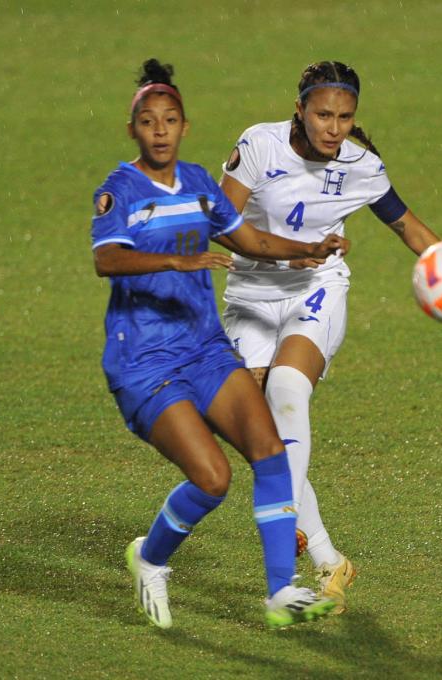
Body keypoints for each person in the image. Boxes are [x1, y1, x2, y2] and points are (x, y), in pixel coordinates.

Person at [218, 60, 442, 611]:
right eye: (324, 114)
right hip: (249, 299)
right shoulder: (259, 146)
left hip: (318, 291)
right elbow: (221, 220)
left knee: (287, 389)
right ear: (301, 108)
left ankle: (281, 544)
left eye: (345, 116)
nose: (334, 127)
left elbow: (406, 223)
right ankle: (330, 561)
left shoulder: (361, 165)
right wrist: (293, 249)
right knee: (260, 433)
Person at [90, 59, 351, 630]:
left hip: (205, 350)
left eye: (171, 119)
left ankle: (281, 591)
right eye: (149, 120)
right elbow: (106, 258)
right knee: (213, 479)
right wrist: (176, 258)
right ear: (133, 128)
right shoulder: (119, 191)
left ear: (185, 127)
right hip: (144, 363)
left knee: (271, 453)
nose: (160, 129)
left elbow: (250, 238)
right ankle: (149, 557)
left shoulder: (203, 186)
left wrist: (304, 251)